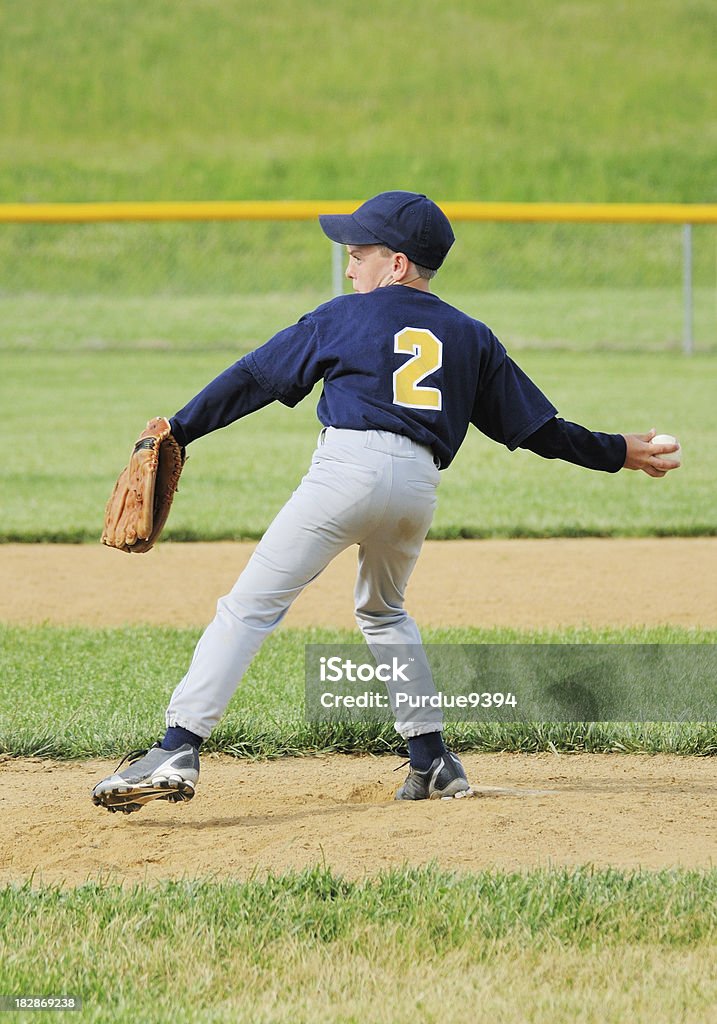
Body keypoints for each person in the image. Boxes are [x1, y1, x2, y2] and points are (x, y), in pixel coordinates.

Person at [91, 190, 680, 813]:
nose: (350, 268)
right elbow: (538, 430)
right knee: (383, 611)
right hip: (417, 489)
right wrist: (619, 450)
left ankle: (178, 745)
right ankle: (431, 760)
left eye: (358, 254)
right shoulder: (471, 336)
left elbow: (253, 379)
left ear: (396, 264)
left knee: (249, 608)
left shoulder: (344, 315)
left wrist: (180, 428)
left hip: (347, 471)